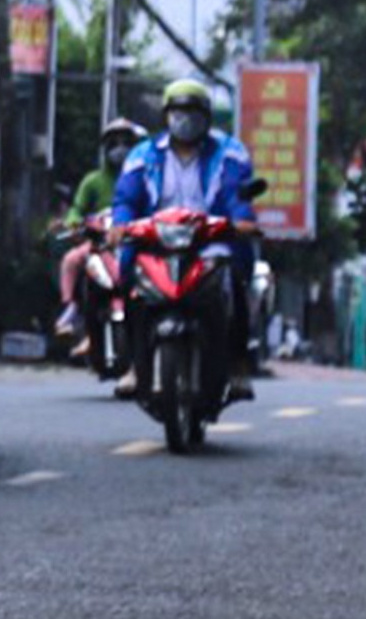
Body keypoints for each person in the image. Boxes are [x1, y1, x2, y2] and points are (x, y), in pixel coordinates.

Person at [110, 79, 258, 403]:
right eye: (178, 111)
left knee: (233, 277)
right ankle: (135, 364)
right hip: (156, 242)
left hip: (209, 242)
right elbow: (126, 199)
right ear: (166, 115)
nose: (185, 119)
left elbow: (237, 195)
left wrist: (241, 220)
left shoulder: (229, 152)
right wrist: (121, 225)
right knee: (130, 281)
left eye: (192, 111)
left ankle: (236, 364)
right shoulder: (143, 155)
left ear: (206, 116)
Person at [54, 120, 142, 360]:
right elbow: (77, 209)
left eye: (126, 143)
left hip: (133, 242)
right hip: (100, 241)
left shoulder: (141, 176)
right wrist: (74, 222)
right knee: (72, 259)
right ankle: (70, 309)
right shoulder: (94, 181)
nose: (120, 149)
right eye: (115, 143)